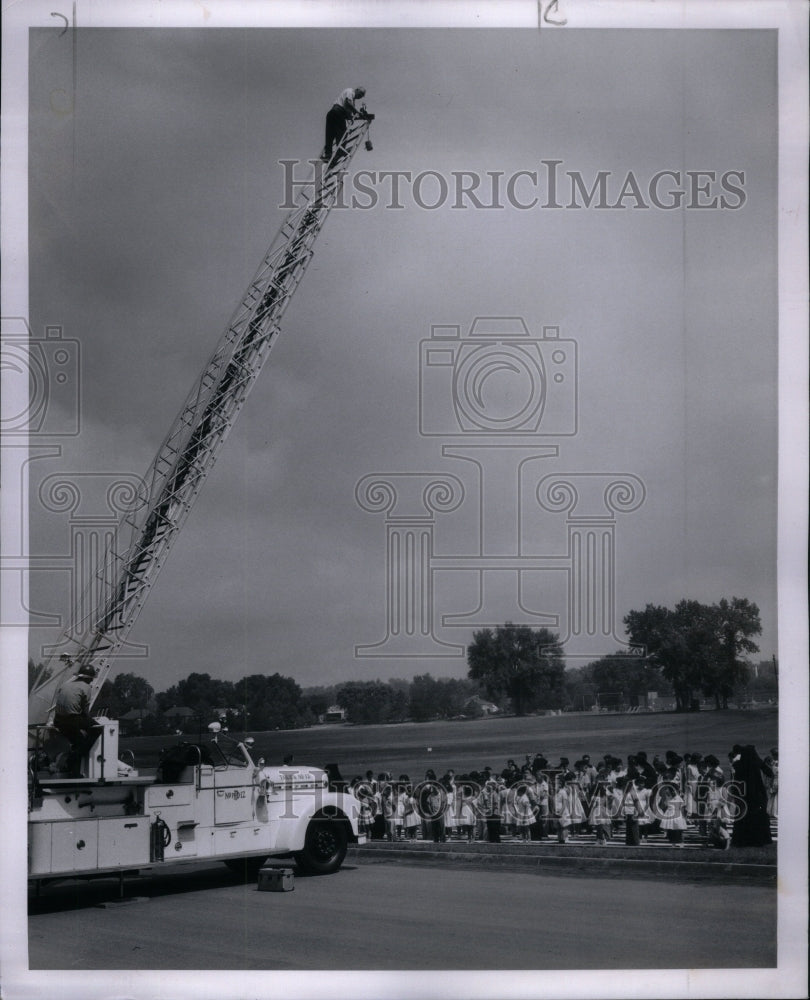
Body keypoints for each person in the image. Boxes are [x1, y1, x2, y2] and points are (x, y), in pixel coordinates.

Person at [52, 665, 100, 776]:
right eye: (91, 678)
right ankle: (74, 759)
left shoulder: (66, 685)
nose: (92, 680)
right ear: (88, 678)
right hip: (72, 720)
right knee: (98, 729)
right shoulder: (86, 687)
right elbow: (85, 711)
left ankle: (73, 768)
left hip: (58, 720)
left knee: (78, 742)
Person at [321, 86, 368, 162]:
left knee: (330, 135)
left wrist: (351, 117)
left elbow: (347, 109)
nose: (360, 97)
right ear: (357, 90)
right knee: (342, 135)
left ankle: (328, 155)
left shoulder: (352, 100)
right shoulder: (350, 91)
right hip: (338, 113)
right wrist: (357, 112)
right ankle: (339, 154)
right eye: (361, 94)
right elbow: (347, 103)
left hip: (333, 114)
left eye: (362, 96)